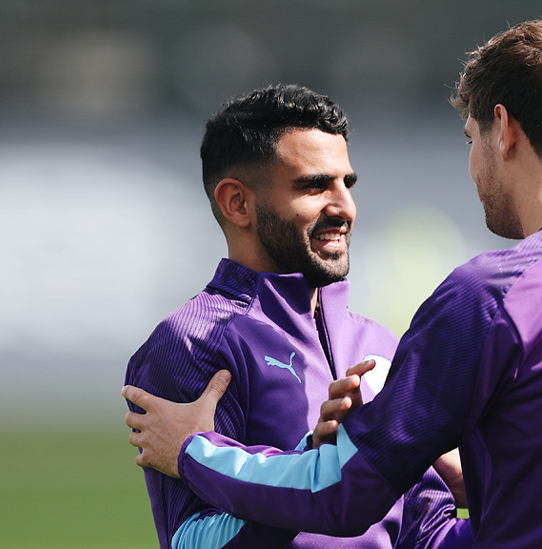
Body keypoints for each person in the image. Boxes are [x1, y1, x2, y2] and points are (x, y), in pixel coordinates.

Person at [124, 19, 542, 548]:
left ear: (504, 130)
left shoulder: (495, 296)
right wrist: (458, 472)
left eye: (471, 138)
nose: (473, 165)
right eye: (318, 184)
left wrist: (194, 451)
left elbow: (342, 492)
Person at [124, 83, 470, 549]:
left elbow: (425, 529)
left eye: (346, 183)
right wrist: (319, 468)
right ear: (237, 203)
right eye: (313, 185)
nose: (343, 207)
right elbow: (195, 542)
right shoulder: (193, 344)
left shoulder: (379, 344)